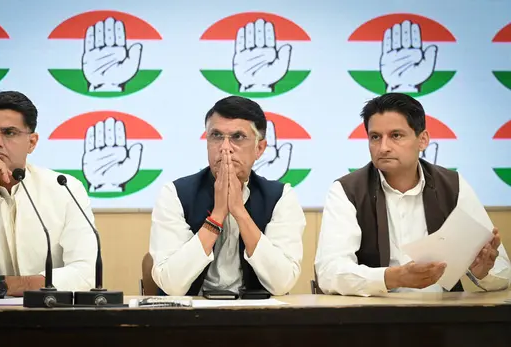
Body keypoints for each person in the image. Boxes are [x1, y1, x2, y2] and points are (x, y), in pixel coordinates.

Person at [315, 93, 511, 296]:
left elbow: (503, 273)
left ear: (423, 140)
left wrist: (484, 273)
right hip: (372, 318)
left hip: (442, 318)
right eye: (375, 137)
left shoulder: (453, 185)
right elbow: (329, 272)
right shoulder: (347, 190)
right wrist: (393, 278)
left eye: (396, 136)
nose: (383, 147)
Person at [0, 91, 97, 298]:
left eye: (9, 133)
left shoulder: (65, 189)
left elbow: (87, 274)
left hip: (54, 319)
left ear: (32, 142)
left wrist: (0, 286)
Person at [149, 96, 306, 296]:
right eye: (216, 135)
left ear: (259, 148)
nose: (224, 148)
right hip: (190, 318)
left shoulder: (281, 197)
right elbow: (171, 284)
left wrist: (240, 212)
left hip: (257, 318)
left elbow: (282, 283)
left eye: (237, 137)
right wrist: (217, 216)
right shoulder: (175, 194)